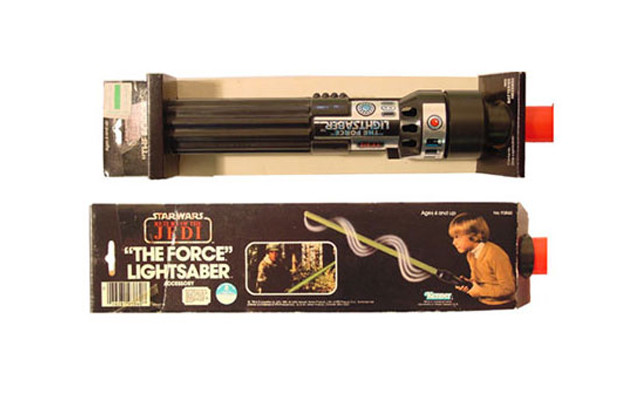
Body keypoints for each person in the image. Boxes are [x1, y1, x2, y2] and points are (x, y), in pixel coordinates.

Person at [448, 213, 516, 306]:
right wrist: (469, 284)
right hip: (483, 302)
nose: (454, 242)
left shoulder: (494, 254)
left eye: (457, 237)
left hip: (502, 305)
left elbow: (509, 289)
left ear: (473, 235)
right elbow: (480, 281)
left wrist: (480, 291)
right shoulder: (470, 255)